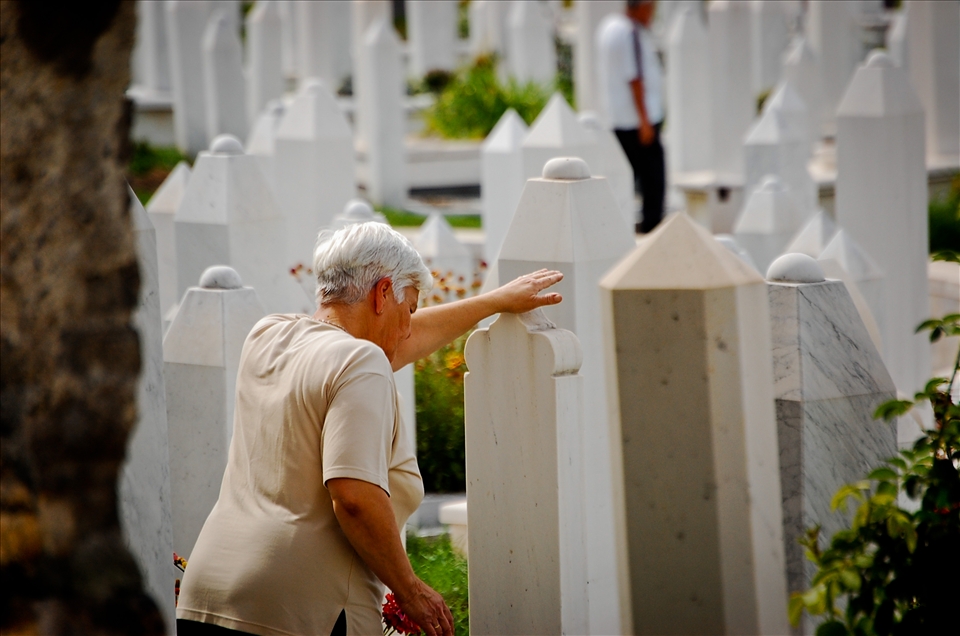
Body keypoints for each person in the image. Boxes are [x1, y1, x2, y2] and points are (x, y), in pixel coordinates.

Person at [176, 222, 563, 636]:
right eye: (408, 309)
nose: (409, 327)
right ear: (382, 293)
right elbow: (354, 497)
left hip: (206, 596)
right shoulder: (361, 362)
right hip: (299, 611)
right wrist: (410, 590)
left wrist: (493, 301)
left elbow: (388, 344)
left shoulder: (268, 335)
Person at [597, 0, 665, 234]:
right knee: (653, 182)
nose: (652, 14)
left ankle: (613, 229)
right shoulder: (630, 32)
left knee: (625, 178)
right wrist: (644, 120)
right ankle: (652, 231)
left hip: (619, 118)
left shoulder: (608, 27)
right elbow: (634, 77)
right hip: (639, 121)